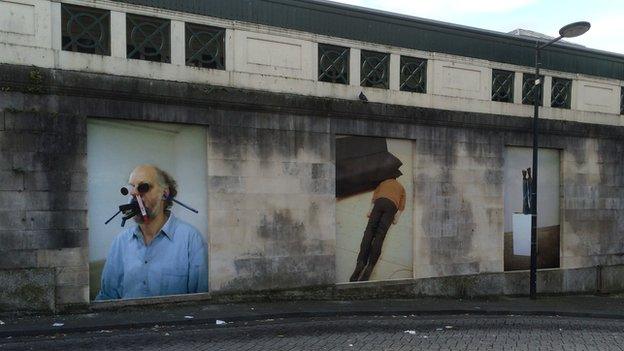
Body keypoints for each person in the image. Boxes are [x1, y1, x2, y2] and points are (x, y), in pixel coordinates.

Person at [96, 164, 208, 300]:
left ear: (164, 193)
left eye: (143, 187)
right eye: (132, 187)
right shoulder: (121, 242)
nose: (134, 193)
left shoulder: (191, 240)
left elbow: (201, 300)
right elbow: (106, 296)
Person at [350, 177, 405, 282]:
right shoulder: (401, 187)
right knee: (380, 235)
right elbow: (402, 205)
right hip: (392, 206)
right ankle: (370, 266)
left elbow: (375, 196)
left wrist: (370, 210)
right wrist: (396, 217)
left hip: (380, 202)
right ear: (397, 178)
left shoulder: (383, 182)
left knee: (369, 232)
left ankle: (361, 263)